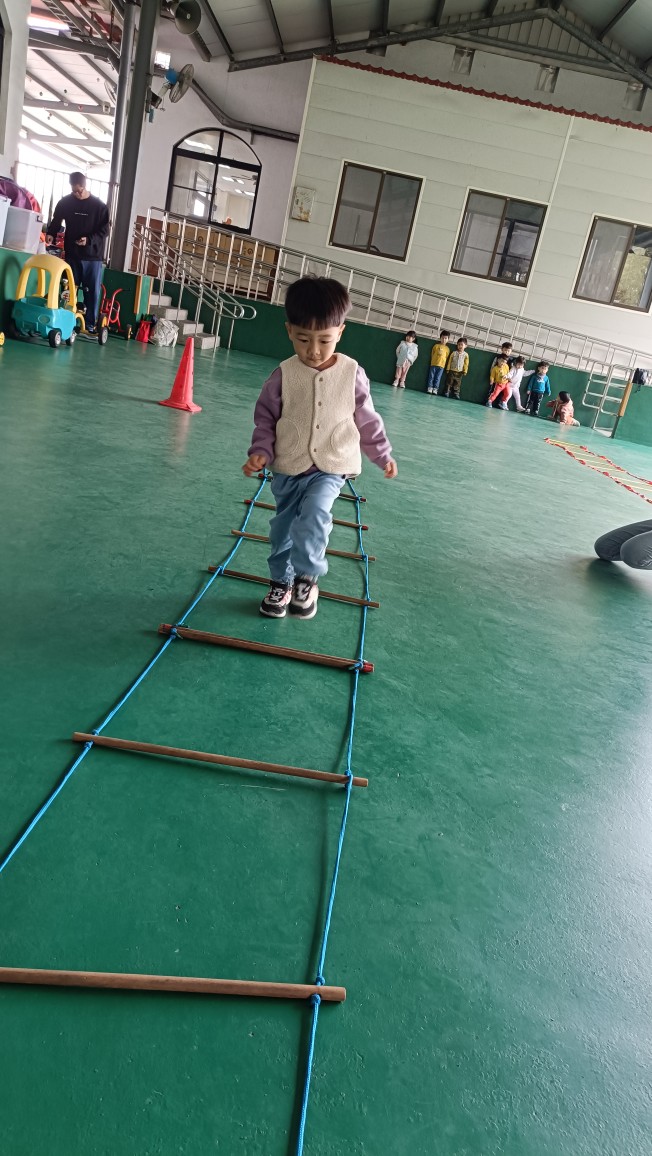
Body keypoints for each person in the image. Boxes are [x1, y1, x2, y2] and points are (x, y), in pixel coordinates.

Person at [242, 277, 398, 620]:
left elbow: (367, 419)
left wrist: (381, 453)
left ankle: (307, 578)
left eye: (324, 340)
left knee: (314, 512)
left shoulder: (352, 373)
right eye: (303, 339)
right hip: (288, 466)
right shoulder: (283, 375)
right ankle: (281, 583)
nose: (313, 350)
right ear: (289, 331)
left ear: (340, 332)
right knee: (282, 531)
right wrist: (261, 450)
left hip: (331, 465)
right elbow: (265, 419)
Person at [45, 171, 110, 334]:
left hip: (92, 257)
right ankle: (65, 319)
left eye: (79, 191)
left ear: (85, 186)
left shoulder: (99, 206)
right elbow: (56, 220)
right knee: (68, 289)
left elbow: (105, 230)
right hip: (72, 255)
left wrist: (89, 240)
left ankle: (90, 324)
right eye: (74, 191)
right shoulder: (65, 202)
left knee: (92, 292)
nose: (77, 194)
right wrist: (51, 233)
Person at [426, 330, 450, 394]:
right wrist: (433, 361)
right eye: (442, 338)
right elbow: (432, 354)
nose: (444, 340)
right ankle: (430, 387)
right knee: (431, 376)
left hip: (441, 366)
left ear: (448, 339)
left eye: (445, 338)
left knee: (438, 378)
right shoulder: (436, 346)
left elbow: (446, 357)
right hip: (433, 364)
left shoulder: (447, 349)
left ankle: (435, 389)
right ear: (440, 338)